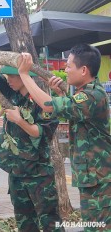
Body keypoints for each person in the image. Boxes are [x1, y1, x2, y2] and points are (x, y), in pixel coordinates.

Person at [17, 44, 111, 231]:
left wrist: (25, 75)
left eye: (68, 66)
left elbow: (49, 106)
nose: (65, 70)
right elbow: (71, 111)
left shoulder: (92, 96)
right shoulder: (85, 93)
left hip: (99, 179)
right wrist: (61, 93)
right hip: (93, 177)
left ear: (83, 70)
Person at [0, 34, 63, 232]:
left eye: (12, 75)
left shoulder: (44, 103)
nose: (8, 79)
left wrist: (19, 120)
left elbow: (39, 133)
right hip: (16, 174)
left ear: (26, 77)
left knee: (51, 223)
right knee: (25, 223)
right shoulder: (11, 94)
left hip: (39, 176)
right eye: (7, 75)